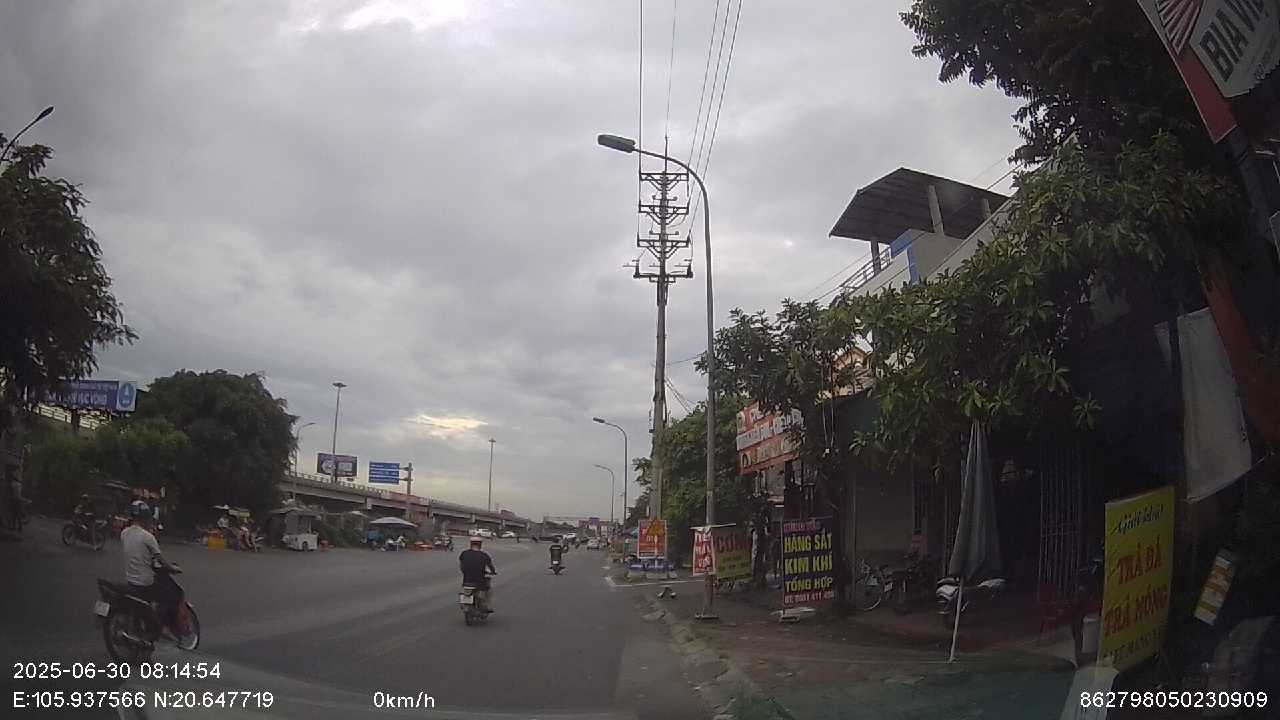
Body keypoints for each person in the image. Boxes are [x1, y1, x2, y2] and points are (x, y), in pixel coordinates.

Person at [120, 500, 183, 637]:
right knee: (173, 595)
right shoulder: (148, 537)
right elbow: (161, 560)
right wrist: (172, 568)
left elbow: (138, 554)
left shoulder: (124, 533)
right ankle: (161, 627)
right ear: (146, 518)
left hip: (130, 580)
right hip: (145, 583)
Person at [458, 537, 497, 611]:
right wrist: (493, 572)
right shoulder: (484, 555)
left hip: (466, 580)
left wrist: (465, 572)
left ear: (471, 544)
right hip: (480, 581)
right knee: (488, 589)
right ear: (480, 545)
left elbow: (461, 565)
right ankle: (488, 605)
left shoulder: (464, 553)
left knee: (465, 591)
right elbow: (491, 566)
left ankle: (466, 603)